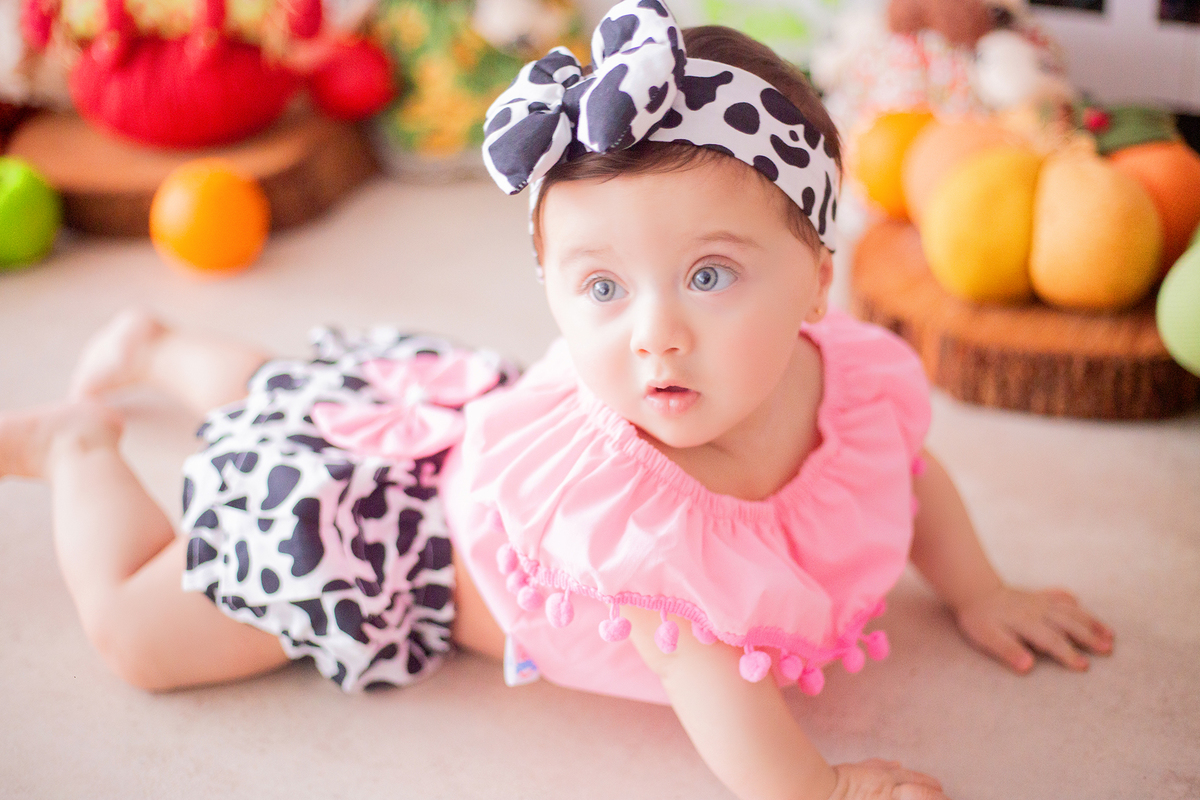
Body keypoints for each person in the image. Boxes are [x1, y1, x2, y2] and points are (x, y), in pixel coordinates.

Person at [0, 2, 1112, 798]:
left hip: (445, 428)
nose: (654, 332)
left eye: (711, 275)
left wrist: (978, 587)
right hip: (388, 547)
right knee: (141, 633)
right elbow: (710, 678)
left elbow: (910, 477)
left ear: (819, 275)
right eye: (600, 287)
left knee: (305, 390)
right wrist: (822, 787)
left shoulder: (852, 382)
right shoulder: (640, 511)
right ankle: (80, 444)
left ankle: (163, 343)